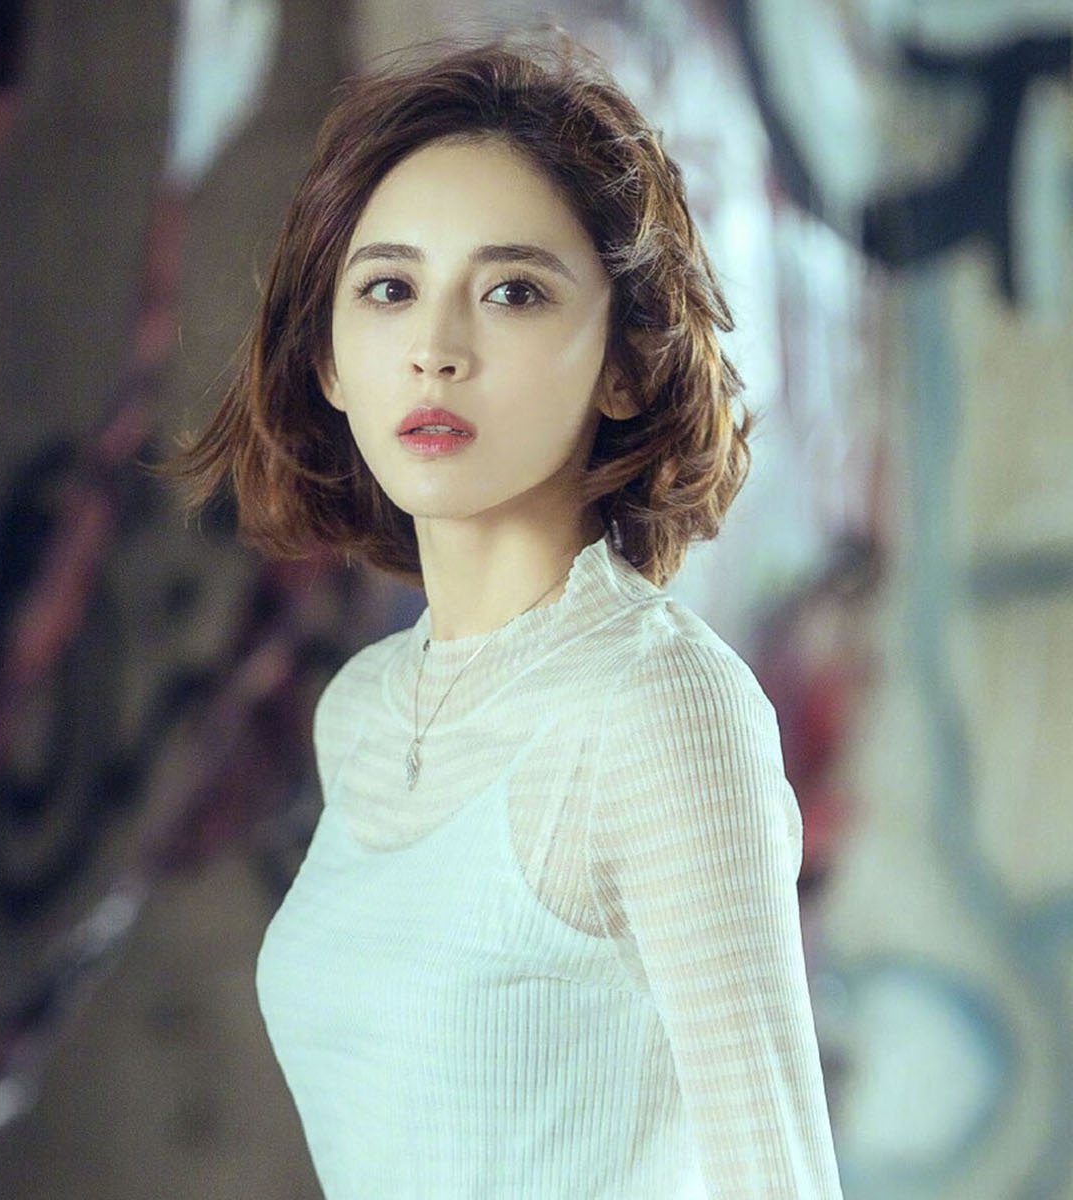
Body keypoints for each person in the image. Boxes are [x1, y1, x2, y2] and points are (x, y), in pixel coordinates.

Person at [153, 28, 844, 1200]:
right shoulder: (362, 713)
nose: (435, 349)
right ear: (330, 359)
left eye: (513, 291)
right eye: (389, 289)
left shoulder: (659, 708)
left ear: (624, 364)